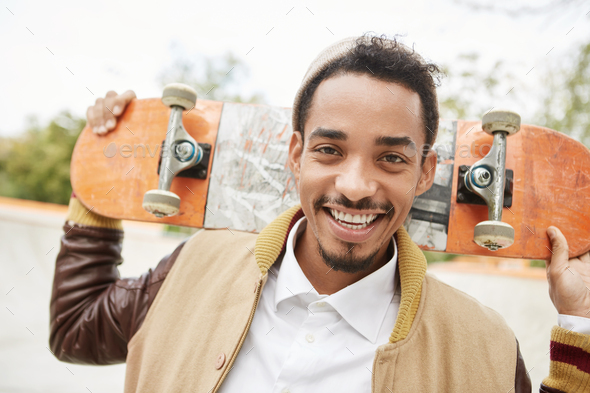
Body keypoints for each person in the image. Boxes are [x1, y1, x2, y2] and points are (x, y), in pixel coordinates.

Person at [50, 35, 590, 393]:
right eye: (329, 150)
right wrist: (101, 177)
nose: (355, 187)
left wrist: (579, 322)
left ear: (425, 174)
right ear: (295, 155)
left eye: (391, 158)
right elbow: (75, 330)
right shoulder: (194, 269)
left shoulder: (482, 347)